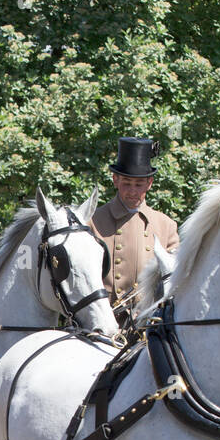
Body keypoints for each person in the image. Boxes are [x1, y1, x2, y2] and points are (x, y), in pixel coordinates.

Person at [91, 137, 179, 320]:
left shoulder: (166, 225)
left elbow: (175, 281)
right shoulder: (92, 221)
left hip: (149, 322)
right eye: (126, 183)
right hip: (101, 321)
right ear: (115, 180)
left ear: (149, 183)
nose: (132, 191)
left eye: (138, 185)